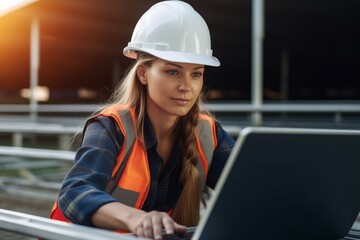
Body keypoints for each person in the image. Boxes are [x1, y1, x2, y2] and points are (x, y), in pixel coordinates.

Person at [50, 1, 235, 239]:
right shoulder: (111, 127)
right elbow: (74, 193)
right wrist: (138, 219)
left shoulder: (208, 134)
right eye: (173, 71)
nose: (186, 87)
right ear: (143, 74)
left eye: (196, 74)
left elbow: (249, 187)